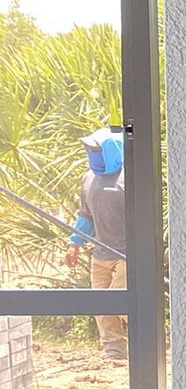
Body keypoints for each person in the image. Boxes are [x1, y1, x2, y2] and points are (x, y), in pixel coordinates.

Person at [64, 127, 127, 362]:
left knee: (121, 302)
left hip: (128, 255)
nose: (92, 154)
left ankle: (148, 341)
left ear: (112, 149)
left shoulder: (130, 178)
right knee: (101, 306)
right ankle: (115, 355)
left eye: (96, 149)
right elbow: (86, 215)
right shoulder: (89, 178)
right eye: (89, 150)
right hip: (100, 254)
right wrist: (75, 243)